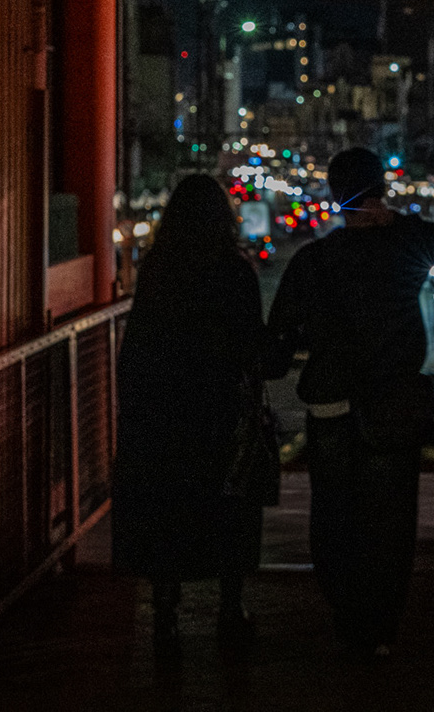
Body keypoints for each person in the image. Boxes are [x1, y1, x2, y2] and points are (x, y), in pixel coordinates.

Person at [263, 148, 434, 659]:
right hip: (394, 407)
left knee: (335, 520)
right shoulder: (408, 251)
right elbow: (432, 236)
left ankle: (349, 618)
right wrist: (386, 214)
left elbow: (277, 344)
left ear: (332, 196)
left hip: (334, 408)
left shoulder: (316, 262)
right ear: (381, 191)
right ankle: (382, 627)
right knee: (391, 523)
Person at [112, 174, 276, 665]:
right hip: (220, 409)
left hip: (165, 413)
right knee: (229, 508)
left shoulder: (158, 271)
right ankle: (231, 607)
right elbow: (252, 345)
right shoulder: (235, 271)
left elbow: (138, 347)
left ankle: (166, 611)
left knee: (167, 510)